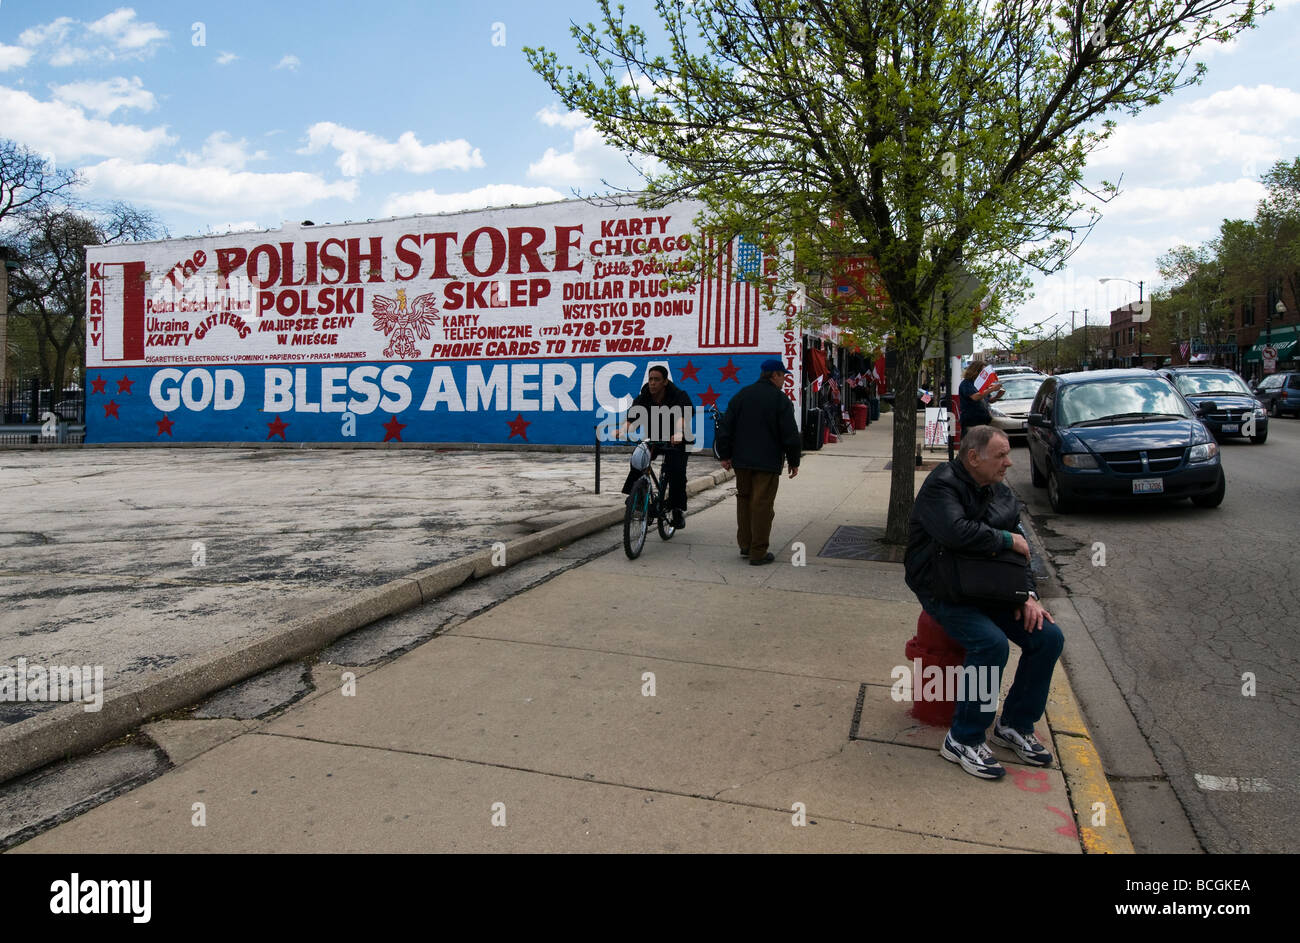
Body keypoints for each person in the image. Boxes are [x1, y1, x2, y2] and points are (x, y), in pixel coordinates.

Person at [903, 425, 1064, 780]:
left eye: (1008, 454)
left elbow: (1021, 548)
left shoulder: (996, 489)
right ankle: (964, 738)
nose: (1008, 462)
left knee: (1047, 637)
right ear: (973, 457)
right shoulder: (941, 486)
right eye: (1001, 455)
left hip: (990, 586)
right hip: (943, 587)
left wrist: (1028, 595)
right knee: (990, 645)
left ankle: (1016, 724)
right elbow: (956, 532)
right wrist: (1005, 539)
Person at [716, 359, 801, 565]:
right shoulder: (781, 401)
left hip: (742, 461)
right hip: (767, 462)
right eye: (783, 375)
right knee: (762, 506)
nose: (784, 380)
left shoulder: (741, 395)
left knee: (744, 502)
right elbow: (790, 434)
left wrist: (725, 455)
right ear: (774, 375)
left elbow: (725, 427)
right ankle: (758, 552)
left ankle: (745, 545)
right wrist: (793, 460)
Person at [617, 365, 694, 529]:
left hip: (678, 440)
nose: (652, 383)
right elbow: (632, 418)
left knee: (676, 471)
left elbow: (682, 416)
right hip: (655, 438)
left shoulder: (678, 396)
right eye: (650, 379)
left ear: (665, 381)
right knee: (638, 458)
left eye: (656, 380)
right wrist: (623, 430)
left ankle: (676, 509)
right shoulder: (644, 396)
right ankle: (636, 497)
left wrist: (679, 433)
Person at [958, 360, 1004, 436]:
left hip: (983, 419)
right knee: (972, 442)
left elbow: (989, 400)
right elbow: (975, 397)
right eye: (982, 371)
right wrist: (991, 389)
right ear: (975, 371)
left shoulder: (981, 384)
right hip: (972, 420)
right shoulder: (966, 383)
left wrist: (997, 396)